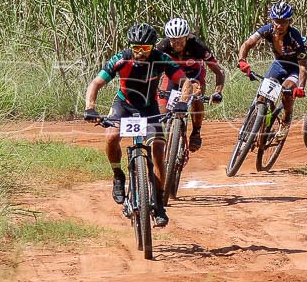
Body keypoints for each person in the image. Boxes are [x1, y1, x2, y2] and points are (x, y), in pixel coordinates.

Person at [83, 23, 188, 228]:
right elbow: (96, 83)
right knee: (111, 137)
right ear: (130, 46)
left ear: (153, 47)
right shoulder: (121, 58)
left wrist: (182, 103)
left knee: (158, 150)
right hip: (124, 105)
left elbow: (185, 82)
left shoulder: (161, 58)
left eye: (145, 49)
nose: (140, 53)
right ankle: (118, 175)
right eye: (136, 48)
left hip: (149, 108)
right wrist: (90, 107)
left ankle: (158, 204)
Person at [235, 1, 307, 135]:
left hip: (294, 68)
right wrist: (242, 60)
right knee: (261, 96)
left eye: (283, 22)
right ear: (272, 20)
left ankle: (286, 120)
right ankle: (255, 124)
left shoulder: (295, 37)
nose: (279, 25)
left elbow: (303, 65)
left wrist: (301, 87)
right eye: (276, 21)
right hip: (279, 64)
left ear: (289, 21)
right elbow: (247, 44)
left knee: (287, 91)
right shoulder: (267, 30)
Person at [155, 17, 225, 152]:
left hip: (195, 75)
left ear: (186, 37)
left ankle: (196, 131)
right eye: (173, 41)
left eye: (180, 40)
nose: (176, 44)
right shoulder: (162, 47)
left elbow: (219, 72)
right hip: (173, 77)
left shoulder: (198, 46)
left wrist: (218, 92)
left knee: (196, 96)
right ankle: (166, 136)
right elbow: (153, 71)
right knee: (162, 107)